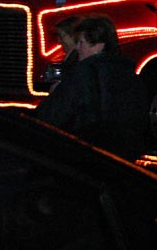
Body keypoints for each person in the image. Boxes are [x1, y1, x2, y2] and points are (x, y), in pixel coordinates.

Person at [35, 15, 147, 159]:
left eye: (82, 42)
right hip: (123, 156)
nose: (78, 47)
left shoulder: (84, 73)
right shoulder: (128, 74)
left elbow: (54, 115)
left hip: (86, 154)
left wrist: (55, 94)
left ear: (98, 46)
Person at [43, 15, 82, 91]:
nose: (59, 41)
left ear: (73, 36)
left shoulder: (76, 59)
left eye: (61, 36)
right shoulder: (73, 57)